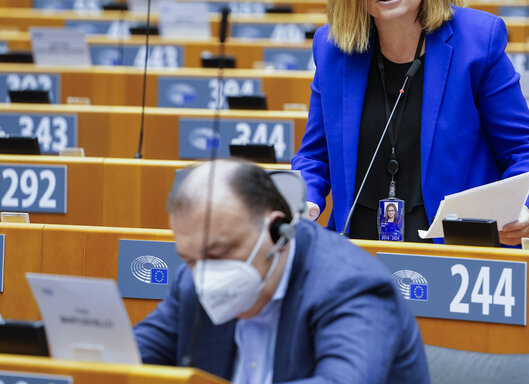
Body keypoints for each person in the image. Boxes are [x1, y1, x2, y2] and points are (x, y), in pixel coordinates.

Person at [291, 0, 529, 246]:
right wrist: (305, 199)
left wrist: (524, 208)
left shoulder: (477, 41)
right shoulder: (333, 48)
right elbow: (314, 156)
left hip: (453, 253)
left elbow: (524, 150)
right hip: (357, 251)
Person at [133, 159, 430, 383]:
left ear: (277, 231)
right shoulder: (193, 281)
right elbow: (126, 360)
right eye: (190, 258)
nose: (205, 274)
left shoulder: (352, 286)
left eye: (220, 254)